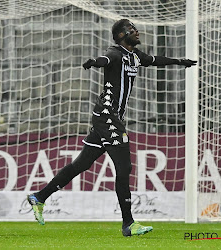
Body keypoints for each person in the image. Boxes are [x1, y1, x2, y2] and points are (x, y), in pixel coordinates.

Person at [27, 19, 197, 236]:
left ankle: (39, 197)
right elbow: (105, 59)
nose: (136, 32)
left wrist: (179, 61)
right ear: (120, 36)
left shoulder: (135, 56)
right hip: (108, 117)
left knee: (82, 164)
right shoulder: (115, 52)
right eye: (131, 30)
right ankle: (129, 224)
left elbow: (154, 60)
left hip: (107, 117)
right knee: (124, 168)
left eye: (135, 29)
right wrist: (94, 63)